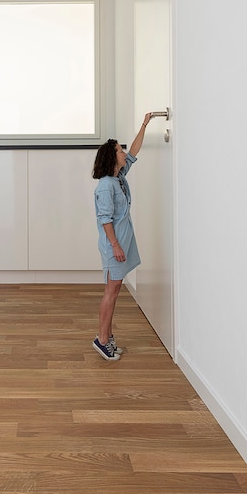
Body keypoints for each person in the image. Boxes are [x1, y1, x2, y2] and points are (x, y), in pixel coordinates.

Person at [91, 113, 157, 361]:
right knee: (111, 290)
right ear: (111, 157)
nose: (123, 153)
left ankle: (107, 336)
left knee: (115, 289)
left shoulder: (119, 177)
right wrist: (116, 246)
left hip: (121, 244)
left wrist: (144, 124)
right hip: (113, 247)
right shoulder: (106, 185)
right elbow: (105, 220)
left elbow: (135, 151)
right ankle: (102, 339)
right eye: (119, 150)